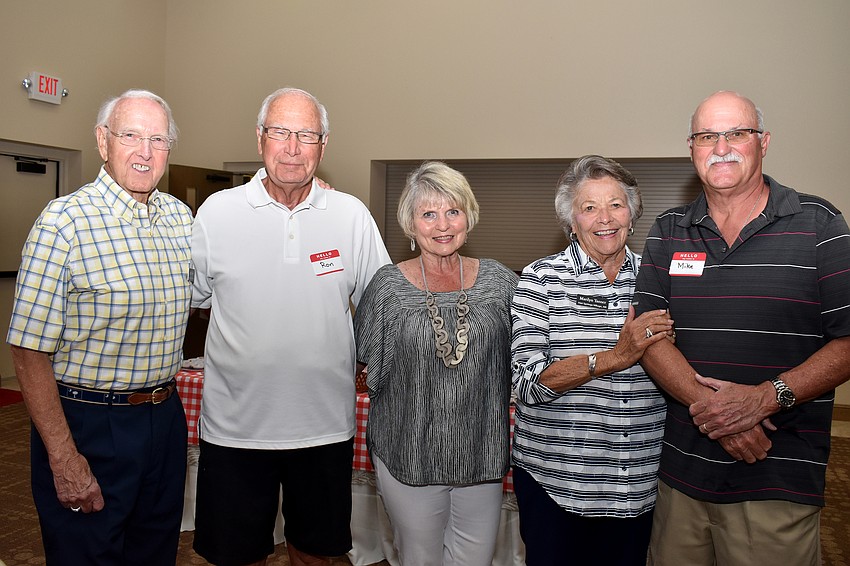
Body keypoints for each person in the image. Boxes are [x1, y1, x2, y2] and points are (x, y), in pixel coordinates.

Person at [632, 91, 850, 565]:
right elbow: (646, 335)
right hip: (682, 479)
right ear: (691, 149)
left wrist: (764, 398)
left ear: (764, 142)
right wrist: (715, 410)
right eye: (707, 135)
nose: (721, 146)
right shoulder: (669, 230)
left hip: (776, 477)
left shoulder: (819, 224)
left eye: (737, 133)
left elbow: (848, 342)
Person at [190, 87, 391, 566]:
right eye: (281, 132)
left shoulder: (351, 216)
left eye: (307, 135)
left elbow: (383, 306)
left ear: (325, 144)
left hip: (323, 427)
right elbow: (187, 298)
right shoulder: (217, 213)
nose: (293, 147)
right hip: (235, 429)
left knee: (316, 554)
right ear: (260, 138)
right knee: (235, 556)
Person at [6, 89, 192, 565]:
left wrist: (309, 198)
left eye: (158, 139)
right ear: (102, 141)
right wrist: (64, 456)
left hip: (164, 419)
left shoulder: (180, 219)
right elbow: (29, 351)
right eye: (130, 135)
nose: (145, 151)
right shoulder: (63, 222)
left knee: (155, 553)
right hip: (89, 423)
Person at [510, 155, 674, 566]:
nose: (605, 218)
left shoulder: (657, 280)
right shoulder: (541, 279)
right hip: (557, 485)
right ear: (571, 221)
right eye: (590, 207)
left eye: (616, 204)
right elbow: (527, 383)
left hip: (636, 482)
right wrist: (614, 357)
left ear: (633, 214)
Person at [354, 161, 517, 565]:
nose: (442, 224)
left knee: (474, 560)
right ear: (410, 223)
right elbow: (365, 368)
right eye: (428, 213)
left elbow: (525, 357)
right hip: (408, 453)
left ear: (469, 217)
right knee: (419, 559)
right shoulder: (386, 287)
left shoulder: (500, 282)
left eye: (452, 211)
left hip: (481, 452)